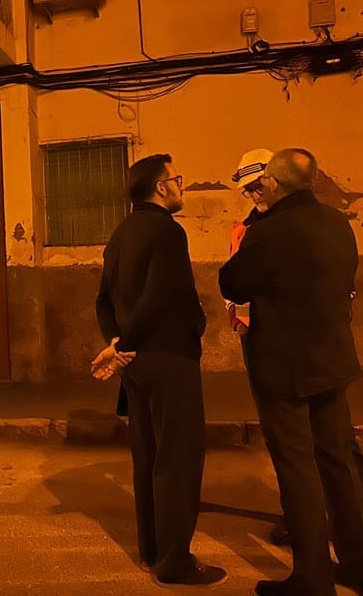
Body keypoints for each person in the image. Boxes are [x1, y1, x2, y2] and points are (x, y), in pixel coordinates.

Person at [229, 149, 363, 580]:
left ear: (274, 181)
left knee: (298, 468)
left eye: (258, 184)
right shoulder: (337, 222)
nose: (254, 192)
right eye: (248, 188)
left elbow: (233, 281)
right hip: (332, 358)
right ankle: (362, 569)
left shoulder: (266, 231)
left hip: (284, 367)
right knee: (338, 460)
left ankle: (313, 577)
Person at [94, 154, 226, 586]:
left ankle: (151, 551)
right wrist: (125, 343)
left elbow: (103, 300)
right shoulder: (168, 231)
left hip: (134, 365)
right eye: (176, 179)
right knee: (178, 460)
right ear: (160, 187)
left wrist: (117, 343)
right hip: (169, 357)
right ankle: (174, 561)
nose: (181, 186)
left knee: (148, 458)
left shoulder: (120, 233)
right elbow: (161, 295)